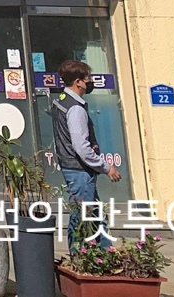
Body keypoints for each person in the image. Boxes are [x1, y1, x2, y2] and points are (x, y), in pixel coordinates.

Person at [51, 59, 121, 251]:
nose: (90, 82)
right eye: (87, 78)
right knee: (82, 216)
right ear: (78, 82)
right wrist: (106, 167)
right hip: (79, 170)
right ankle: (78, 255)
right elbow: (82, 147)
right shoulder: (75, 109)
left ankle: (106, 251)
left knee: (95, 214)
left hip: (74, 167)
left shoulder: (61, 101)